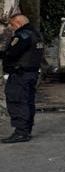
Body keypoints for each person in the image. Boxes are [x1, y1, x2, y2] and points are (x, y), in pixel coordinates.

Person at [1, 14, 44, 144]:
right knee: (27, 101)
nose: (11, 27)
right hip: (31, 74)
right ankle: (26, 130)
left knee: (17, 101)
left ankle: (21, 132)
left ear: (18, 23)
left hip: (20, 74)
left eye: (12, 24)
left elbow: (12, 53)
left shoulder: (23, 35)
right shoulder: (36, 34)